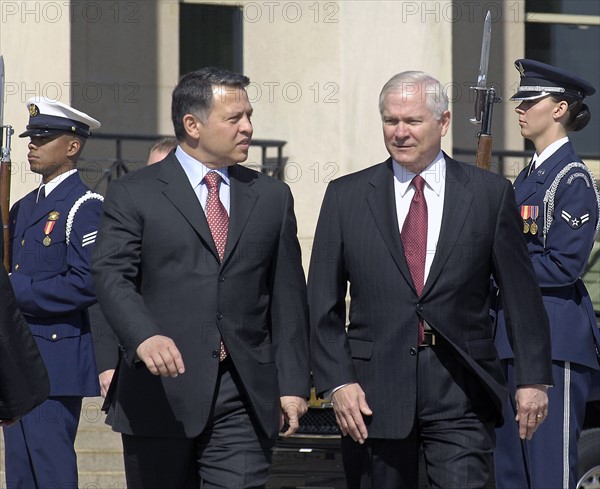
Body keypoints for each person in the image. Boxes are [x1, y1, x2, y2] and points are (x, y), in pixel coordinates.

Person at [308, 71, 554, 488]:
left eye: (412, 121)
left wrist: (532, 379)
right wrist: (337, 382)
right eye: (391, 121)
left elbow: (521, 297)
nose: (399, 132)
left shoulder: (488, 194)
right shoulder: (345, 197)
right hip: (372, 398)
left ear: (442, 123)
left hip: (461, 391)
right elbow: (321, 304)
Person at [91, 67, 310, 488]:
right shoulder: (134, 192)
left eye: (249, 116)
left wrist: (294, 383)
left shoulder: (271, 197)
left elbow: (287, 297)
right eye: (234, 118)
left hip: (243, 394)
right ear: (192, 125)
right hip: (159, 395)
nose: (248, 127)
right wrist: (143, 336)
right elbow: (111, 274)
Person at [494, 59, 600, 489]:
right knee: (512, 473)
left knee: (548, 473)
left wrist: (496, 269)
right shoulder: (529, 177)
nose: (520, 109)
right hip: (514, 337)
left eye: (530, 101)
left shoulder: (571, 179)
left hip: (555, 338)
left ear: (559, 109)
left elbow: (562, 264)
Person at [3, 97, 103, 488]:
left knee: (51, 469)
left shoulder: (84, 206)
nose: (33, 145)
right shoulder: (23, 208)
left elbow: (87, 283)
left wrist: (15, 290)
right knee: (21, 472)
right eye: (31, 138)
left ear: (73, 146)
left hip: (55, 362)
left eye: (43, 138)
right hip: (18, 358)